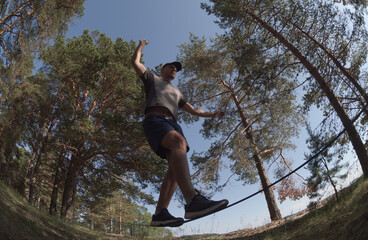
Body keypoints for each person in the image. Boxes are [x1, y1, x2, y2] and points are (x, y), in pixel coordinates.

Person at [131, 39, 228, 227]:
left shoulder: (177, 92)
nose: (175, 70)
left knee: (175, 170)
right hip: (155, 119)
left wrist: (212, 114)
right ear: (162, 69)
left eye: (177, 69)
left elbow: (193, 110)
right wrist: (141, 45)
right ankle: (192, 200)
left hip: (173, 124)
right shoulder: (152, 79)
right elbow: (135, 62)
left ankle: (160, 213)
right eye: (172, 67)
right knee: (178, 143)